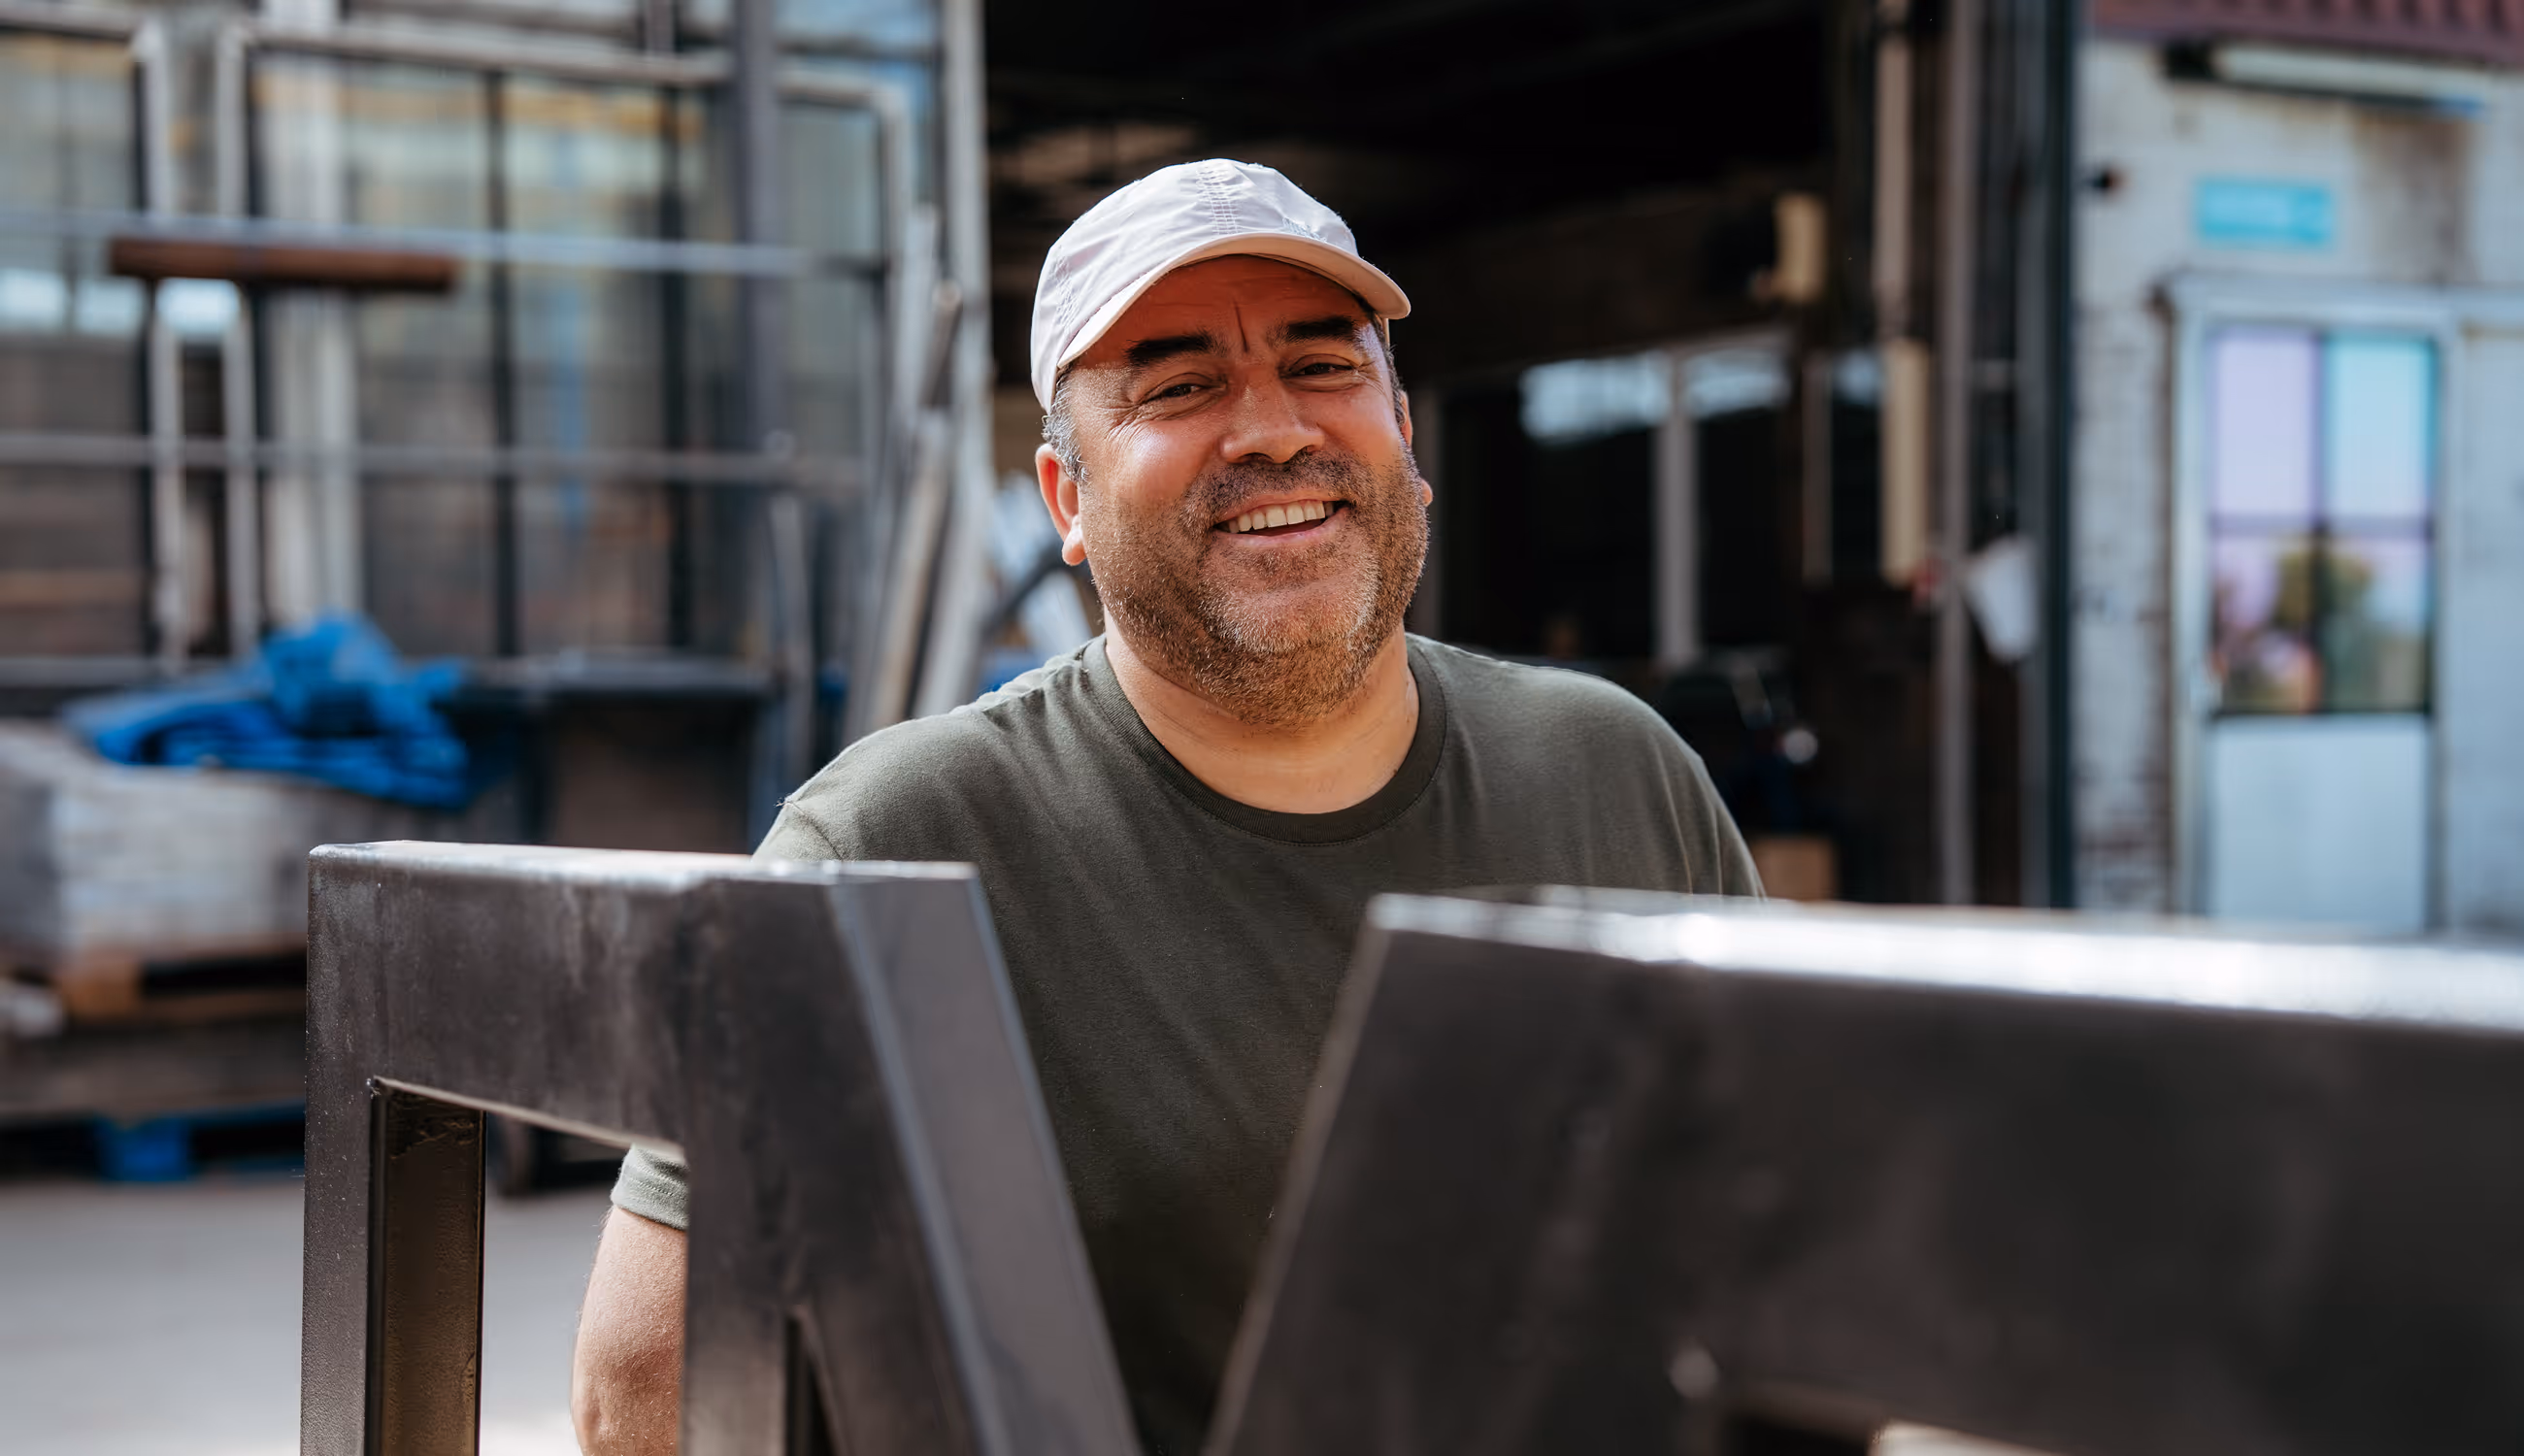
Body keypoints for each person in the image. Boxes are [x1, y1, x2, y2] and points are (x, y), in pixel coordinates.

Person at [570, 158, 1761, 1456]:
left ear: (1402, 431)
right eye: (1181, 387)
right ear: (1068, 500)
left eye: (1323, 367)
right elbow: (648, 1390)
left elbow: (1782, 1229)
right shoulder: (893, 845)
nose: (1272, 430)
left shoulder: (1614, 771)